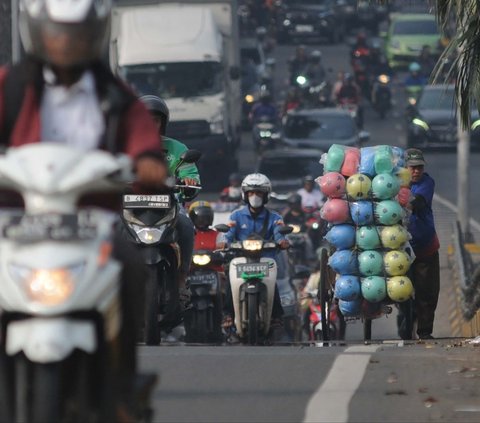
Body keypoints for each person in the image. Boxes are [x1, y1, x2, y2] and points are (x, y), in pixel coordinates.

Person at [0, 0, 168, 416]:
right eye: (57, 33)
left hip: (93, 222)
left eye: (75, 34)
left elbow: (143, 138)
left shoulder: (113, 93)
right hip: (16, 221)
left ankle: (123, 388)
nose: (65, 43)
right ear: (37, 33)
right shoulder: (11, 86)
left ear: (93, 34)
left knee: (130, 266)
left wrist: (147, 159)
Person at [140, 95, 200, 308]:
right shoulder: (125, 146)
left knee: (185, 225)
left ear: (162, 123)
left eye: (155, 120)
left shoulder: (177, 149)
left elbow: (188, 171)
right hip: (130, 207)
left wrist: (189, 181)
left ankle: (182, 277)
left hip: (169, 206)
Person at [221, 173, 289, 329]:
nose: (255, 196)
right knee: (230, 283)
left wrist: (282, 242)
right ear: (245, 195)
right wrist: (224, 243)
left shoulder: (275, 217)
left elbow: (279, 233)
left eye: (259, 193)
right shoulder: (236, 216)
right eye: (251, 193)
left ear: (266, 195)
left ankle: (276, 315)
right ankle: (227, 314)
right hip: (241, 259)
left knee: (273, 283)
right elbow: (228, 234)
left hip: (265, 259)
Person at [404, 148, 440, 340]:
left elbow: (417, 202)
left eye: (419, 167)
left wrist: (403, 204)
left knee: (427, 291)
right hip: (398, 249)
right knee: (401, 292)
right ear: (404, 168)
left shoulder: (427, 182)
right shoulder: (390, 184)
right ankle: (405, 326)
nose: (416, 171)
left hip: (424, 246)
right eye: (412, 168)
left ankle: (425, 331)